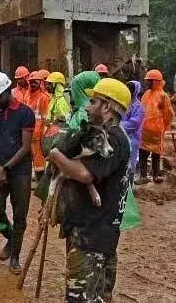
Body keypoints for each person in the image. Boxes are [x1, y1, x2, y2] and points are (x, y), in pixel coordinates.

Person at [48, 78, 132, 302]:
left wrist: (56, 155)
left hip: (91, 236)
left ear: (106, 107)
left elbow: (85, 173)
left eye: (92, 101)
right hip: (99, 232)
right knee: (97, 297)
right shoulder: (110, 135)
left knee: (80, 298)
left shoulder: (113, 138)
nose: (87, 106)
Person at [0, 72, 35, 275]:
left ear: (8, 92)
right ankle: (11, 236)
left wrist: (6, 168)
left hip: (20, 172)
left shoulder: (25, 113)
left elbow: (25, 147)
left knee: (20, 214)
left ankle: (15, 257)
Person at [138, 69, 174, 184]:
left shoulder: (163, 96)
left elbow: (169, 113)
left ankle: (156, 175)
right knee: (143, 153)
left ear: (156, 81)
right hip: (144, 131)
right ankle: (143, 176)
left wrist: (164, 126)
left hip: (156, 131)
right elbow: (140, 110)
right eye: (147, 81)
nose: (147, 83)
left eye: (149, 81)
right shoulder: (146, 94)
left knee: (156, 154)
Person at [26, 69, 51, 179]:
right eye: (31, 81)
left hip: (38, 135)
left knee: (39, 161)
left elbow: (46, 118)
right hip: (28, 133)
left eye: (35, 81)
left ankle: (41, 183)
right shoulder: (27, 96)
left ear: (40, 82)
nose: (32, 83)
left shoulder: (44, 98)